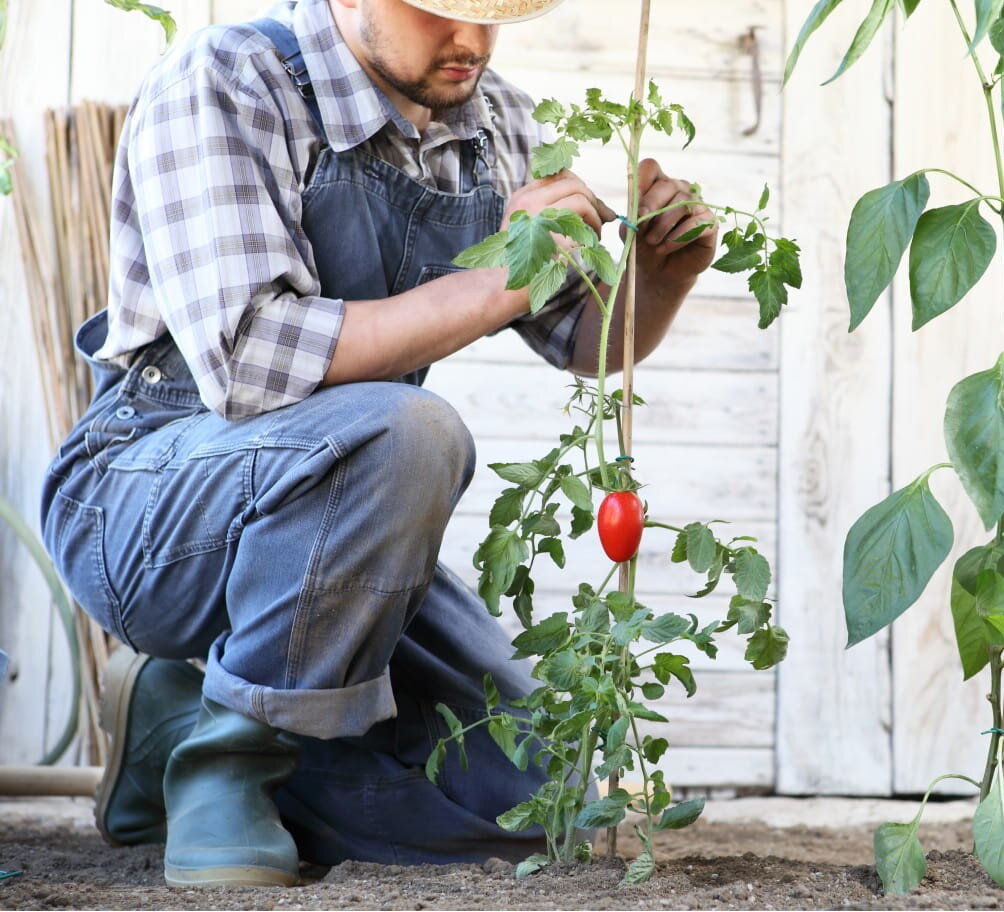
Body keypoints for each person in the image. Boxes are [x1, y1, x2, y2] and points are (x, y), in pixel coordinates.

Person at [39, 0, 717, 889]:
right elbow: (247, 361)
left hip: (343, 527)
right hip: (146, 505)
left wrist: (660, 279)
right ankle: (227, 769)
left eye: (492, 13)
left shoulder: (496, 118)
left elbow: (578, 342)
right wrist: (505, 275)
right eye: (439, 9)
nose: (470, 40)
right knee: (409, 428)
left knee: (531, 798)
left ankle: (175, 727)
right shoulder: (231, 79)